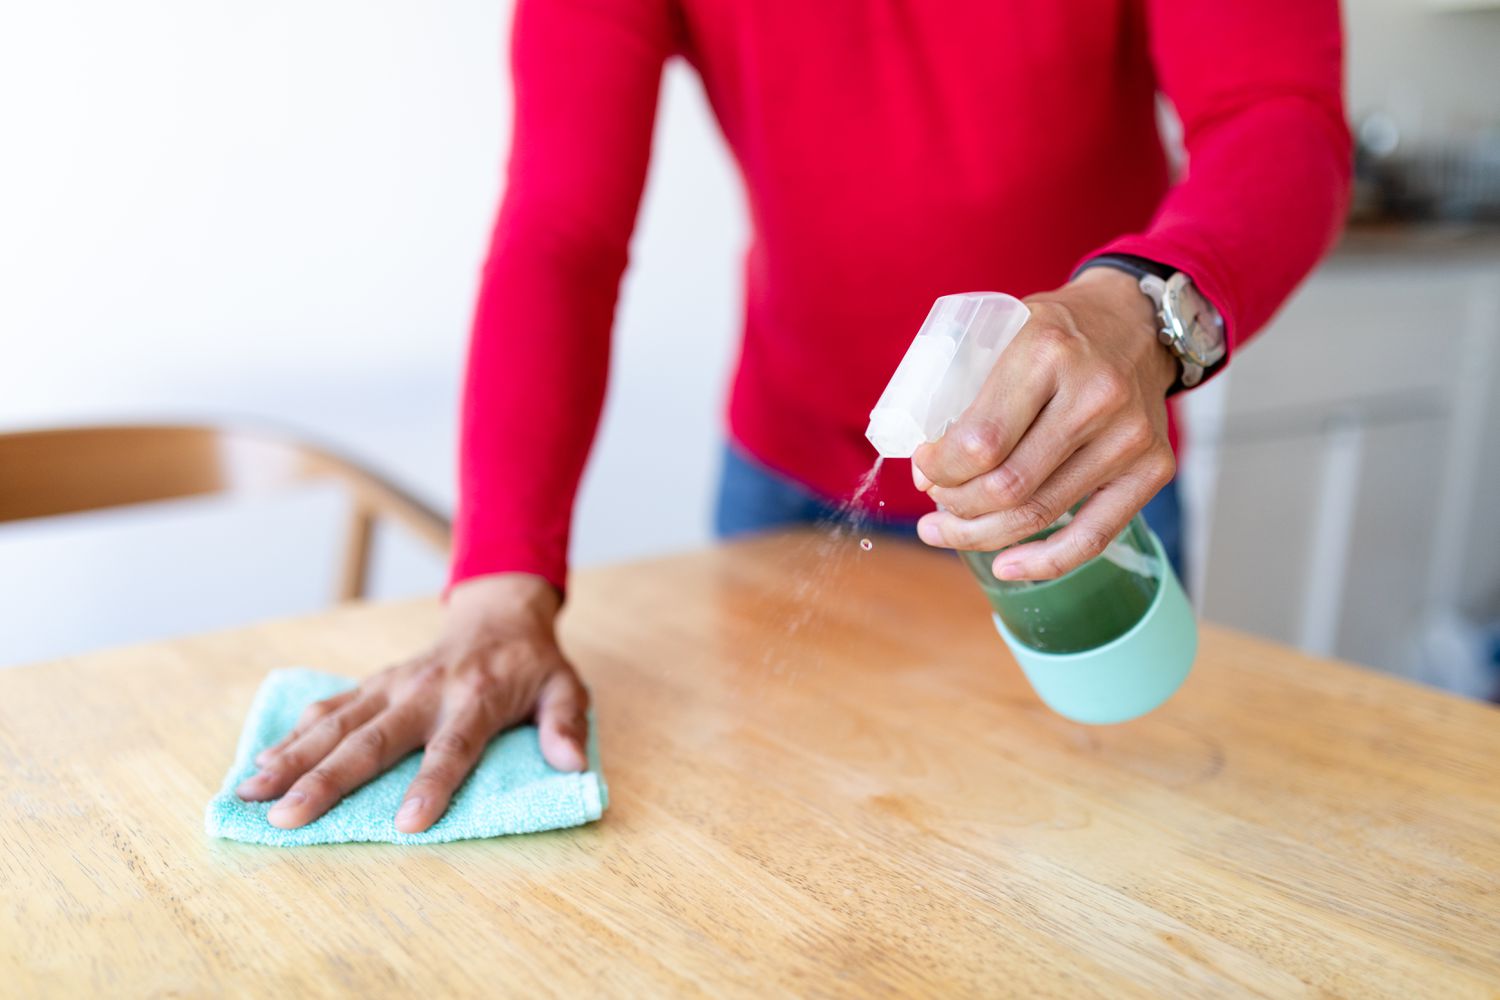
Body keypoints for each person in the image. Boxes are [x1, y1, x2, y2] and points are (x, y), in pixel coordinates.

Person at [237, 0, 1350, 832]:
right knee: (784, 868)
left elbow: (1277, 113)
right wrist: (495, 587)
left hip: (1082, 489)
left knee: (1120, 868)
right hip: (786, 480)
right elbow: (560, 237)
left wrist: (1145, 310)